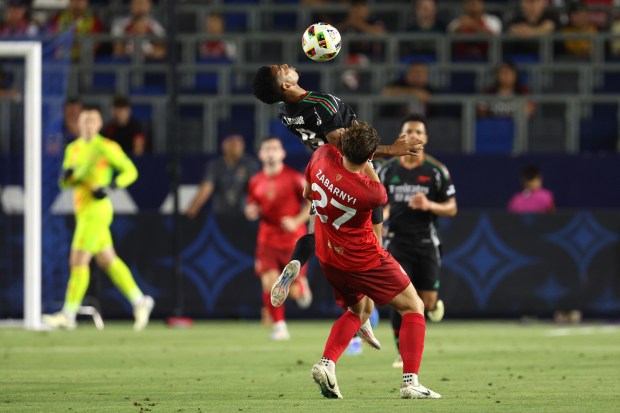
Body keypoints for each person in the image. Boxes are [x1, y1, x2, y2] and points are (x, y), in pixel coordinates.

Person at [252, 64, 423, 350]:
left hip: (320, 170)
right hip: (350, 169)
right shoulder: (320, 103)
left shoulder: (286, 114)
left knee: (316, 230)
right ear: (283, 86)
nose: (285, 65)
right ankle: (366, 301)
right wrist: (391, 150)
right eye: (279, 70)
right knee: (376, 212)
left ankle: (297, 262)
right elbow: (343, 143)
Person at [304, 121, 441, 400]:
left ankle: (326, 364)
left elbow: (308, 194)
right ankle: (410, 381)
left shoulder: (319, 157)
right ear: (369, 157)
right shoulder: (372, 191)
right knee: (414, 306)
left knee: (360, 311)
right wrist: (375, 157)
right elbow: (375, 192)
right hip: (364, 257)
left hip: (329, 256)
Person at [42, 107, 154, 331]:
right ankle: (140, 300)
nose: (88, 125)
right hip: (82, 209)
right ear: (78, 124)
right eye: (84, 121)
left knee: (77, 261)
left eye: (92, 121)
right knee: (107, 260)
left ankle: (68, 313)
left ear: (100, 124)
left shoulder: (106, 147)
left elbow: (130, 171)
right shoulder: (73, 149)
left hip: (97, 210)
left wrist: (110, 187)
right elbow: (65, 183)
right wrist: (66, 178)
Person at [378, 114, 457, 368]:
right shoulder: (387, 170)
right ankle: (402, 351)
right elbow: (378, 204)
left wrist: (429, 204)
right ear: (401, 136)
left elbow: (452, 207)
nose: (414, 136)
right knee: (401, 299)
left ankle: (434, 304)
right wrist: (384, 214)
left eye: (419, 132)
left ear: (426, 138)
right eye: (409, 131)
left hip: (426, 242)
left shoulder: (436, 171)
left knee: (427, 303)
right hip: (397, 242)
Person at [245, 136, 312, 340]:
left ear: (282, 153)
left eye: (275, 148)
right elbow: (251, 206)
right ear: (261, 154)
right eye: (267, 149)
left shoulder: (294, 178)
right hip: (267, 237)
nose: (271, 152)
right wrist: (250, 211)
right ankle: (280, 327)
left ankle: (301, 288)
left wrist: (296, 220)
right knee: (270, 283)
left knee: (290, 291)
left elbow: (311, 205)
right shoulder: (255, 181)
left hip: (292, 239)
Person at [185, 134, 259, 219]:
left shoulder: (250, 164)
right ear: (225, 146)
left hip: (243, 214)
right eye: (234, 144)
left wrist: (255, 210)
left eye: (241, 145)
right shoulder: (215, 165)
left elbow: (255, 188)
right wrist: (193, 208)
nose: (238, 148)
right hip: (221, 215)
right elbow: (206, 188)